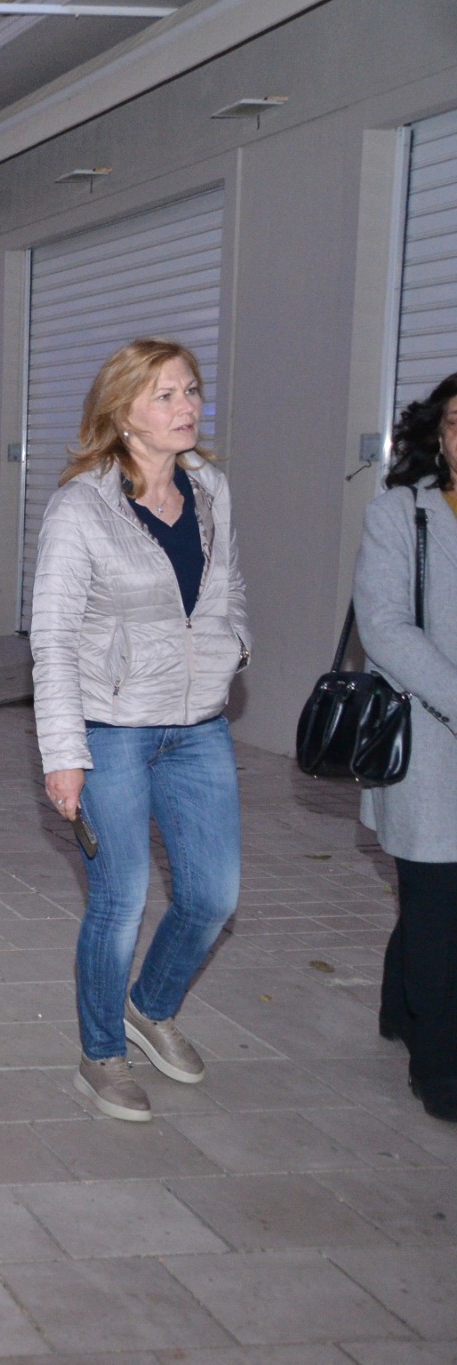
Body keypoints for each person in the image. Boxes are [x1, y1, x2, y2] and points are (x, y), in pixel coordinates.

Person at [30, 339, 249, 1123]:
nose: (187, 405)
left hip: (198, 726)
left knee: (213, 895)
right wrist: (65, 753)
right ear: (123, 413)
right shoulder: (80, 508)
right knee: (119, 900)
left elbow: (228, 587)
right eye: (166, 394)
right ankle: (101, 1053)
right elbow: (53, 636)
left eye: (191, 390)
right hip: (112, 728)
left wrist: (232, 648)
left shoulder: (211, 488)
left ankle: (149, 1006)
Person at [356, 372, 457, 1123]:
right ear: (439, 436)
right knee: (438, 903)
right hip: (429, 737)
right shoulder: (401, 514)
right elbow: (385, 627)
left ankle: (399, 1002)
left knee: (435, 905)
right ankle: (440, 1067)